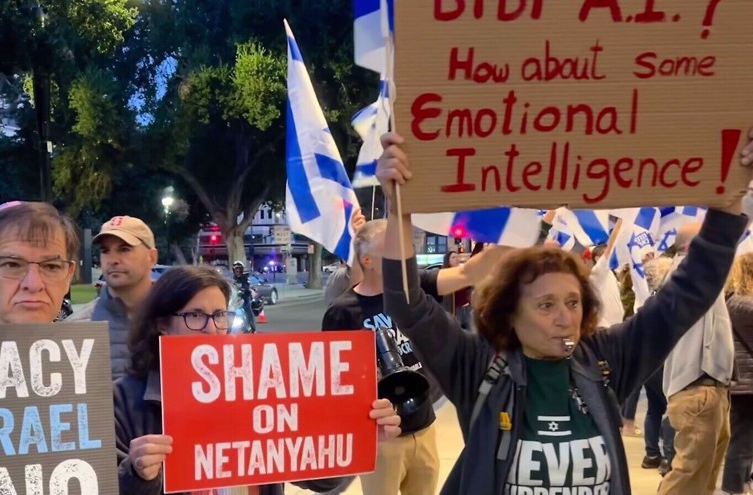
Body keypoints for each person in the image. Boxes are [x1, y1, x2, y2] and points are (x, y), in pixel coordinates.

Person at [375, 130, 753, 495]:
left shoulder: (605, 360)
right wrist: (398, 208)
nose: (564, 317)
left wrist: (733, 193)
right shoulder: (476, 366)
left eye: (573, 303)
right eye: (545, 305)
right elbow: (407, 302)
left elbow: (688, 292)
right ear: (510, 312)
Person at [114, 265, 402, 494]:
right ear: (162, 325)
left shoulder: (262, 386)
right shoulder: (124, 400)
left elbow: (320, 481)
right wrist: (137, 474)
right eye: (195, 316)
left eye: (219, 315)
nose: (212, 329)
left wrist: (357, 439)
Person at [323, 219, 440, 495]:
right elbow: (333, 379)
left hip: (424, 424)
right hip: (381, 436)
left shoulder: (410, 295)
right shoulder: (342, 313)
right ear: (367, 260)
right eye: (391, 248)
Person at [658, 222, 735, 495]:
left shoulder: (693, 279)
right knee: (687, 478)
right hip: (698, 389)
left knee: (702, 479)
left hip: (710, 388)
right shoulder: (687, 277)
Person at [66, 215, 158, 380]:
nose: (113, 260)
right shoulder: (74, 329)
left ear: (151, 257)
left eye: (124, 249)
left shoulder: (182, 319)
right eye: (105, 251)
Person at [0, 201, 79, 324]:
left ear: (68, 276)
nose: (34, 285)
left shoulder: (92, 342)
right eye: (13, 265)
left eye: (51, 266)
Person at [722, 253, 753, 495]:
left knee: (743, 440)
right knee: (743, 441)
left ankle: (739, 485)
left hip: (739, 380)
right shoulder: (745, 305)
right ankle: (734, 488)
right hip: (747, 383)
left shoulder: (730, 302)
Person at [232, 260, 256, 332]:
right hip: (235, 299)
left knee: (248, 311)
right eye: (236, 269)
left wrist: (245, 289)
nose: (238, 271)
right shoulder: (232, 279)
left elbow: (247, 285)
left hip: (245, 298)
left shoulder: (245, 278)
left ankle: (252, 328)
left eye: (239, 269)